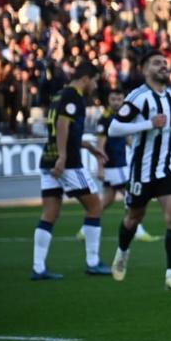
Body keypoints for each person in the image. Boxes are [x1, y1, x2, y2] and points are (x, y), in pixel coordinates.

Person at [108, 51, 171, 289]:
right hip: (141, 171)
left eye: (165, 63)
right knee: (134, 217)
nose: (164, 66)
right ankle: (123, 251)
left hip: (168, 168)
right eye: (157, 63)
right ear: (145, 70)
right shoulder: (138, 97)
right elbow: (115, 128)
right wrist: (148, 124)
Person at [31, 61, 111, 280]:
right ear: (86, 79)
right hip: (67, 163)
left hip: (48, 160)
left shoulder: (59, 95)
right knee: (95, 206)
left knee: (50, 213)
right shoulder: (74, 97)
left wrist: (90, 148)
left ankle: (38, 268)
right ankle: (93, 262)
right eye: (94, 81)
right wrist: (64, 157)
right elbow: (63, 126)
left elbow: (65, 131)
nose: (94, 86)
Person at [90, 88, 157, 243]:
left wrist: (138, 150)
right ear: (108, 100)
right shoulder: (105, 119)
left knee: (107, 200)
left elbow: (127, 139)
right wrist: (100, 167)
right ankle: (138, 231)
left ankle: (87, 228)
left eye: (119, 99)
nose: (116, 102)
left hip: (120, 165)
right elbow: (100, 145)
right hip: (114, 166)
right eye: (113, 99)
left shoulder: (121, 117)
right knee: (131, 197)